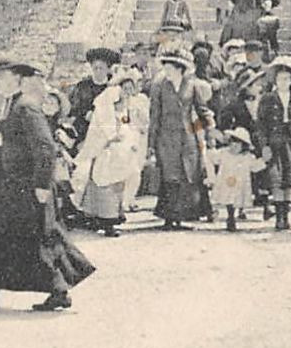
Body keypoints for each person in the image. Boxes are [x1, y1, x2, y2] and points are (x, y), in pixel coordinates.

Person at [0, 62, 96, 313]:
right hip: (16, 187)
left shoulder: (25, 107)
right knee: (11, 239)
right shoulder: (14, 105)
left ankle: (56, 290)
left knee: (42, 240)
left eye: (2, 80)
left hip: (28, 187)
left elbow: (45, 147)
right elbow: (19, 143)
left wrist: (42, 185)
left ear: (16, 80)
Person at [74, 65, 144, 236]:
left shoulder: (126, 108)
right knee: (105, 184)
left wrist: (132, 139)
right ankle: (106, 222)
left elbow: (129, 126)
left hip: (122, 153)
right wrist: (111, 137)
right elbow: (105, 126)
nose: (127, 92)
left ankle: (114, 215)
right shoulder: (107, 105)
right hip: (108, 152)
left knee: (120, 184)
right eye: (124, 88)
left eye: (130, 89)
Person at [147, 49, 207, 230]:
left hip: (188, 136)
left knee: (186, 175)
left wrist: (207, 131)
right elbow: (154, 116)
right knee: (169, 177)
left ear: (179, 68)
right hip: (166, 138)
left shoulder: (192, 85)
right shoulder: (159, 86)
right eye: (165, 67)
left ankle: (180, 217)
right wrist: (151, 144)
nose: (166, 71)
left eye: (170, 67)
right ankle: (168, 218)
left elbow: (201, 109)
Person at [257, 56, 291, 230]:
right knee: (275, 178)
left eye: (287, 79)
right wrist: (264, 145)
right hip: (274, 142)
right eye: (280, 79)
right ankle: (278, 217)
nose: (283, 82)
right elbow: (261, 124)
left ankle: (285, 216)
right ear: (275, 80)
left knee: (289, 179)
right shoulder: (268, 99)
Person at [210, 125, 266, 231]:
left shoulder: (247, 156)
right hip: (226, 181)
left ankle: (234, 215)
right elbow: (214, 159)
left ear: (244, 145)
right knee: (228, 199)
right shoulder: (224, 152)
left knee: (237, 199)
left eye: (238, 143)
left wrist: (264, 160)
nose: (234, 145)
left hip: (240, 183)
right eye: (232, 142)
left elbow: (255, 167)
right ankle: (230, 217)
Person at [68, 47, 121, 140]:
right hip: (86, 128)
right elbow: (75, 108)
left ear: (108, 69)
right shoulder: (83, 86)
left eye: (101, 68)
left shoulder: (113, 86)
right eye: (95, 68)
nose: (98, 71)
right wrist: (86, 114)